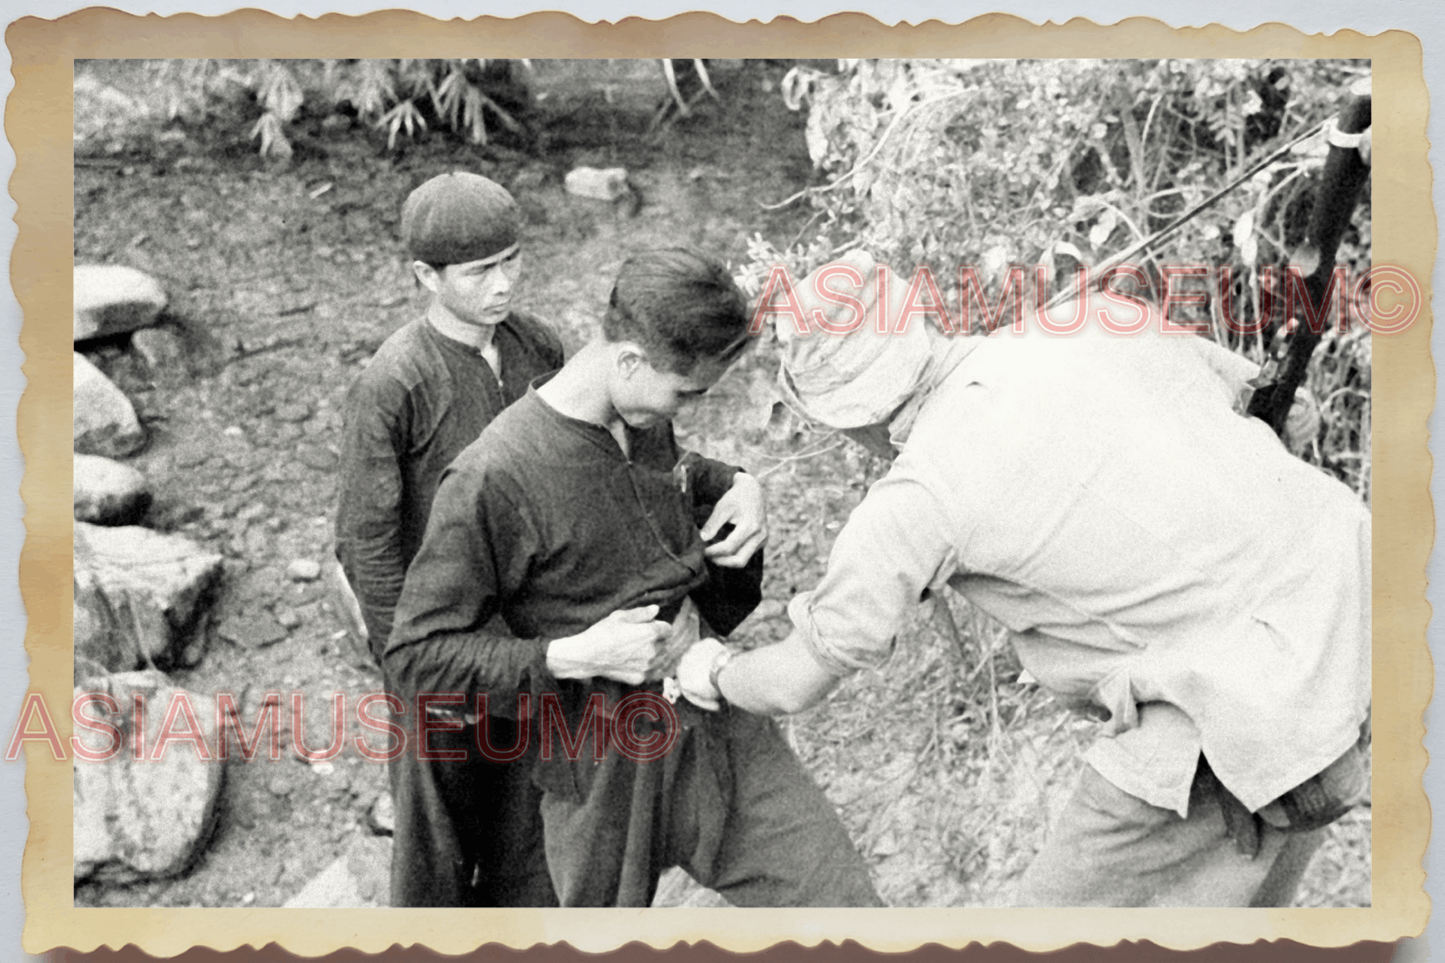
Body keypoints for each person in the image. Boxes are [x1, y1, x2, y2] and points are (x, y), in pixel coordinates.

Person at [679, 250, 1371, 907]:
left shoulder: (912, 502)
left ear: (840, 413)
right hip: (1360, 609)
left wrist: (709, 668)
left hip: (1246, 706)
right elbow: (1281, 415)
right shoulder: (1095, 316)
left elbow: (795, 679)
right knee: (1238, 901)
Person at [386, 248, 882, 908]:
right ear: (627, 360)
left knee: (844, 911)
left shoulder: (640, 416)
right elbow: (417, 659)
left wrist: (739, 483)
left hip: (713, 723)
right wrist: (570, 653)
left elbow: (646, 481)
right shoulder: (492, 478)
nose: (687, 408)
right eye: (684, 392)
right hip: (600, 769)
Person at [333, 171, 564, 907]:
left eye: (511, 261)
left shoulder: (536, 346)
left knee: (530, 832)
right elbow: (365, 541)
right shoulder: (395, 381)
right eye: (479, 271)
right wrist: (409, 661)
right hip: (437, 648)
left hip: (526, 640)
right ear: (424, 277)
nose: (502, 285)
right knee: (436, 846)